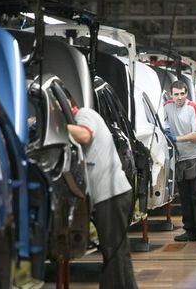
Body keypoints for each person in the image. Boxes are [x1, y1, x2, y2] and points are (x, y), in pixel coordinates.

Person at [67, 106, 137, 289]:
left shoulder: (84, 115)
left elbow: (84, 136)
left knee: (115, 253)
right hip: (110, 195)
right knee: (115, 252)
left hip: (112, 194)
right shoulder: (80, 118)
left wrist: (56, 126)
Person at [164, 81, 196, 243]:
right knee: (184, 197)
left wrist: (176, 138)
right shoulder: (167, 107)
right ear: (171, 95)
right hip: (181, 159)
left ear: (186, 94)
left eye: (182, 93)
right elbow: (161, 121)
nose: (180, 97)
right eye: (176, 94)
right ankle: (189, 230)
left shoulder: (193, 107)